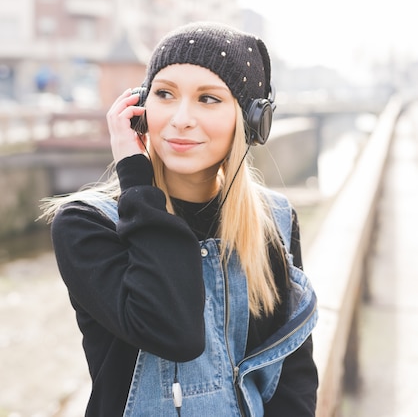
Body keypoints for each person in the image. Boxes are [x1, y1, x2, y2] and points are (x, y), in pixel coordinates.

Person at [41, 21, 318, 417]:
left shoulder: (274, 220)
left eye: (208, 99)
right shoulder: (87, 224)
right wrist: (136, 177)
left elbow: (293, 375)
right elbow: (174, 331)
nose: (181, 118)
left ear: (252, 121)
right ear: (139, 106)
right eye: (165, 94)